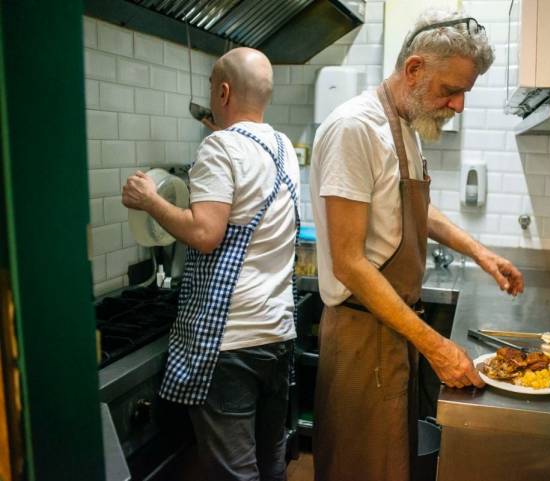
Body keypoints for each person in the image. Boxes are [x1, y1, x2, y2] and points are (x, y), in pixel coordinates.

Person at [309, 9, 525, 481]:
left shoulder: (405, 129)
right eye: (451, 90)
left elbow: (416, 210)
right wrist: (437, 346)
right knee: (358, 467)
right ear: (414, 69)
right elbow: (349, 264)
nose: (458, 105)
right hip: (361, 334)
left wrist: (480, 253)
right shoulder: (355, 130)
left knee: (390, 465)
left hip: (393, 327)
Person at [122, 47, 300, 481]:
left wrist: (150, 200)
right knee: (270, 462)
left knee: (233, 474)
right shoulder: (283, 148)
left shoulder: (220, 148)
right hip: (276, 335)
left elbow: (205, 234)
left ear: (222, 91)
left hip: (231, 344)